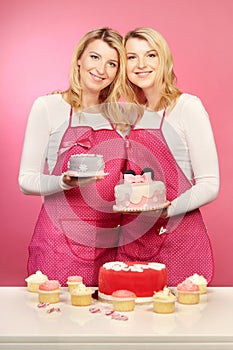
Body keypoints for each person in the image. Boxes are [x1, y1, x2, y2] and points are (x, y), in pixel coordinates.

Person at [18, 27, 130, 286]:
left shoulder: (122, 119)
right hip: (58, 243)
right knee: (54, 319)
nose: (101, 69)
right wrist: (64, 182)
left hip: (110, 243)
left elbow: (127, 178)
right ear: (79, 58)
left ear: (118, 72)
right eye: (94, 57)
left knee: (107, 322)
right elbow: (26, 180)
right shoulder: (48, 108)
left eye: (111, 63)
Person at [116, 27, 220, 286]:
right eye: (131, 57)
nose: (141, 64)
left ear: (163, 60)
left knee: (181, 320)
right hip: (134, 241)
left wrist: (166, 210)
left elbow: (210, 184)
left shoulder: (187, 107)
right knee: (132, 317)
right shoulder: (130, 115)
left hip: (180, 239)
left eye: (150, 55)